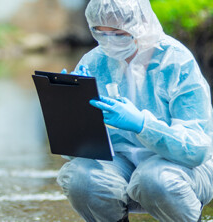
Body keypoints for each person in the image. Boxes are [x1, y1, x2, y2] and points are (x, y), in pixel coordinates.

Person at [56, 0, 213, 221]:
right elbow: (74, 154)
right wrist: (71, 108)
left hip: (179, 169)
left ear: (142, 23)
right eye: (101, 33)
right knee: (81, 177)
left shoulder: (175, 60)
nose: (110, 42)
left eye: (118, 33)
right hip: (120, 166)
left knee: (154, 179)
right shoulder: (94, 61)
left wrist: (142, 124)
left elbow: (197, 149)